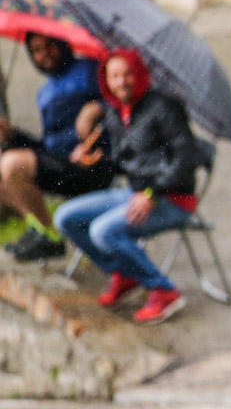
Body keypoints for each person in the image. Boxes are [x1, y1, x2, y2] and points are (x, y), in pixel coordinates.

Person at [54, 49, 201, 324]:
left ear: (140, 74)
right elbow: (126, 164)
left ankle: (164, 290)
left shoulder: (164, 107)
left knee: (102, 231)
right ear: (105, 80)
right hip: (133, 193)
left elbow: (185, 159)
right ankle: (126, 274)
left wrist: (151, 194)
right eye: (114, 76)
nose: (121, 82)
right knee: (66, 217)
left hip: (171, 198)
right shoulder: (118, 112)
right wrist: (94, 161)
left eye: (127, 74)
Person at [1, 33, 114, 261]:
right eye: (36, 50)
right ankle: (41, 229)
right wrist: (14, 134)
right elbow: (48, 146)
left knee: (13, 164)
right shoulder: (45, 92)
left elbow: (122, 103)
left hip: (91, 164)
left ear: (63, 43)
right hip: (59, 163)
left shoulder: (89, 71)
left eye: (50, 45)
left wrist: (96, 108)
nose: (44, 55)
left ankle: (50, 237)